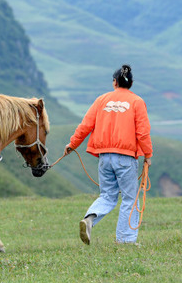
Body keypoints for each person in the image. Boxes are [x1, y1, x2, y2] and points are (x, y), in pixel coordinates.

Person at [64, 64, 153, 245]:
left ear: (114, 82)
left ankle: (89, 219)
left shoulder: (101, 100)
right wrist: (148, 155)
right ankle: (125, 241)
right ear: (131, 83)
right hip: (125, 158)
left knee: (107, 195)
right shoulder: (137, 102)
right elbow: (142, 133)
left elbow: (85, 126)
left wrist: (72, 144)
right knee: (129, 198)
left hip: (104, 158)